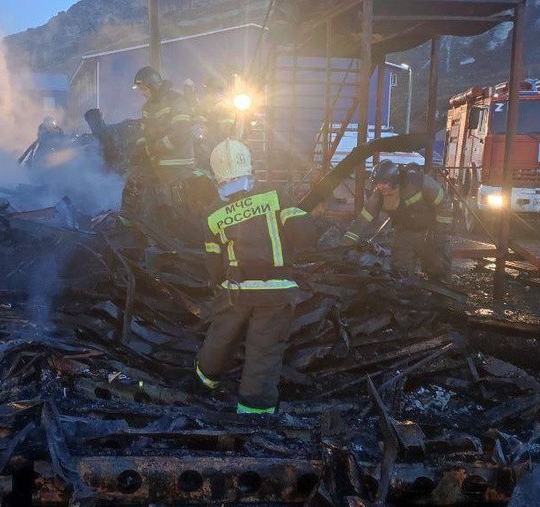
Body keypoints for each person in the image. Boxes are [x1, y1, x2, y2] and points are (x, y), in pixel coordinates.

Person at [194, 139, 317, 414]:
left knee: (222, 336)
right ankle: (253, 411)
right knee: (264, 350)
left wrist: (219, 288)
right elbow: (306, 235)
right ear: (249, 166)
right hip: (275, 291)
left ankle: (205, 378)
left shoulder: (213, 213)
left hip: (235, 289)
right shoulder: (275, 196)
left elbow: (212, 260)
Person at [341, 160, 453, 281]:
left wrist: (440, 233)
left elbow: (444, 204)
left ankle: (442, 296)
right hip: (404, 232)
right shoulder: (379, 194)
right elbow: (363, 218)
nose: (381, 187)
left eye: (384, 182)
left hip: (431, 232)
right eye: (378, 183)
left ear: (394, 179)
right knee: (400, 271)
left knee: (438, 269)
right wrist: (346, 244)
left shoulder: (420, 183)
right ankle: (406, 296)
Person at [121, 66, 196, 239]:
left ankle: (177, 238)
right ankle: (134, 225)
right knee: (136, 183)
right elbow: (143, 133)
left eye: (143, 89)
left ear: (153, 85)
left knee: (172, 204)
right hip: (158, 162)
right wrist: (139, 149)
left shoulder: (177, 100)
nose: (142, 93)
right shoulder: (147, 107)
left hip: (178, 163)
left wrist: (156, 148)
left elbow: (181, 132)